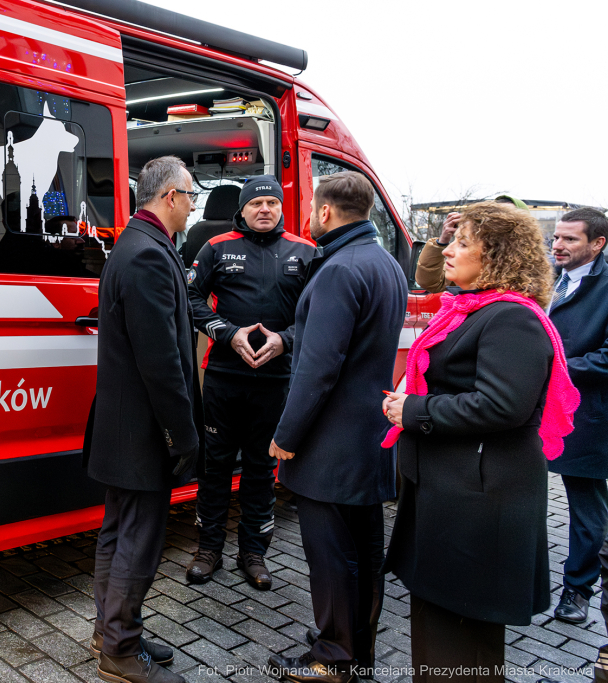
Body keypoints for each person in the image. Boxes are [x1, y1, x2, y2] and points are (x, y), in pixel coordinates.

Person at [381, 201, 580, 680]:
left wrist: (415, 410)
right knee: (443, 622)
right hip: (457, 492)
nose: (447, 250)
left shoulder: (511, 318)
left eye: (461, 242)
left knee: (461, 635)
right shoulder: (474, 310)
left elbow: (502, 406)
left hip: (478, 500)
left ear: (497, 256)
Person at [266, 171, 408, 683]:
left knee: (329, 555)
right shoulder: (385, 263)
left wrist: (286, 436)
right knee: (365, 550)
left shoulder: (338, 270)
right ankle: (357, 648)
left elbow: (317, 369)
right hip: (370, 435)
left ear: (324, 213)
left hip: (329, 443)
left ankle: (332, 656)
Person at [84, 155, 201, 683]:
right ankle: (120, 651)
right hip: (143, 431)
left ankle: (111, 631)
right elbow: (163, 362)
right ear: (171, 197)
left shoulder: (135, 244)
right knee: (137, 540)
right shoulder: (148, 255)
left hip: (123, 425)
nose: (195, 205)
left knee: (117, 532)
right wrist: (183, 435)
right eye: (192, 194)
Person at [184, 175, 315, 590]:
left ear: (280, 209)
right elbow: (189, 300)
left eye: (271, 204)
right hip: (223, 378)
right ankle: (208, 550)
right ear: (241, 209)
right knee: (216, 466)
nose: (264, 209)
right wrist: (228, 332)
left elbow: (317, 314)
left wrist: (284, 340)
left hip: (276, 383)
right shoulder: (216, 247)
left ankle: (254, 554)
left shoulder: (306, 252)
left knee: (261, 469)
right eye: (256, 203)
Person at [545, 207, 608, 625]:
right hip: (531, 411)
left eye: (569, 239)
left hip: (586, 417)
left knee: (585, 508)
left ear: (598, 244)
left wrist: (555, 366)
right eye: (556, 237)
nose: (557, 245)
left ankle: (578, 589)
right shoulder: (545, 276)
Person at [415, 195, 528, 293]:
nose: (446, 251)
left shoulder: (529, 280)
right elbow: (431, 282)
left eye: (463, 244)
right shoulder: (475, 263)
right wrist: (442, 241)